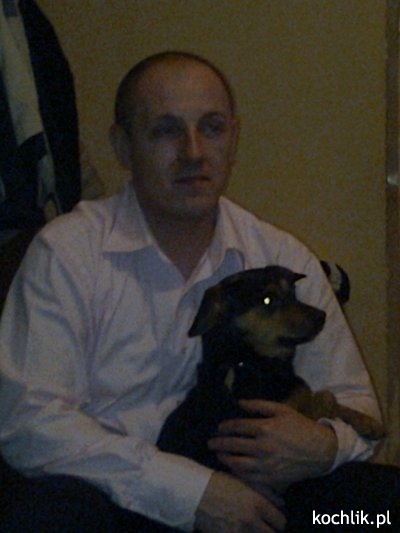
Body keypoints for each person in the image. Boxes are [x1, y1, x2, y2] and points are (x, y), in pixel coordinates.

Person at [0, 51, 384, 532]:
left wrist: (323, 445)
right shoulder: (67, 253)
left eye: (212, 128)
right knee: (46, 515)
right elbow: (28, 421)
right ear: (122, 146)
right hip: (120, 504)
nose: (194, 151)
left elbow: (358, 406)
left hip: (267, 502)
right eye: (166, 130)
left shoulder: (281, 255)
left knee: (378, 510)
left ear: (234, 137)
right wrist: (193, 492)